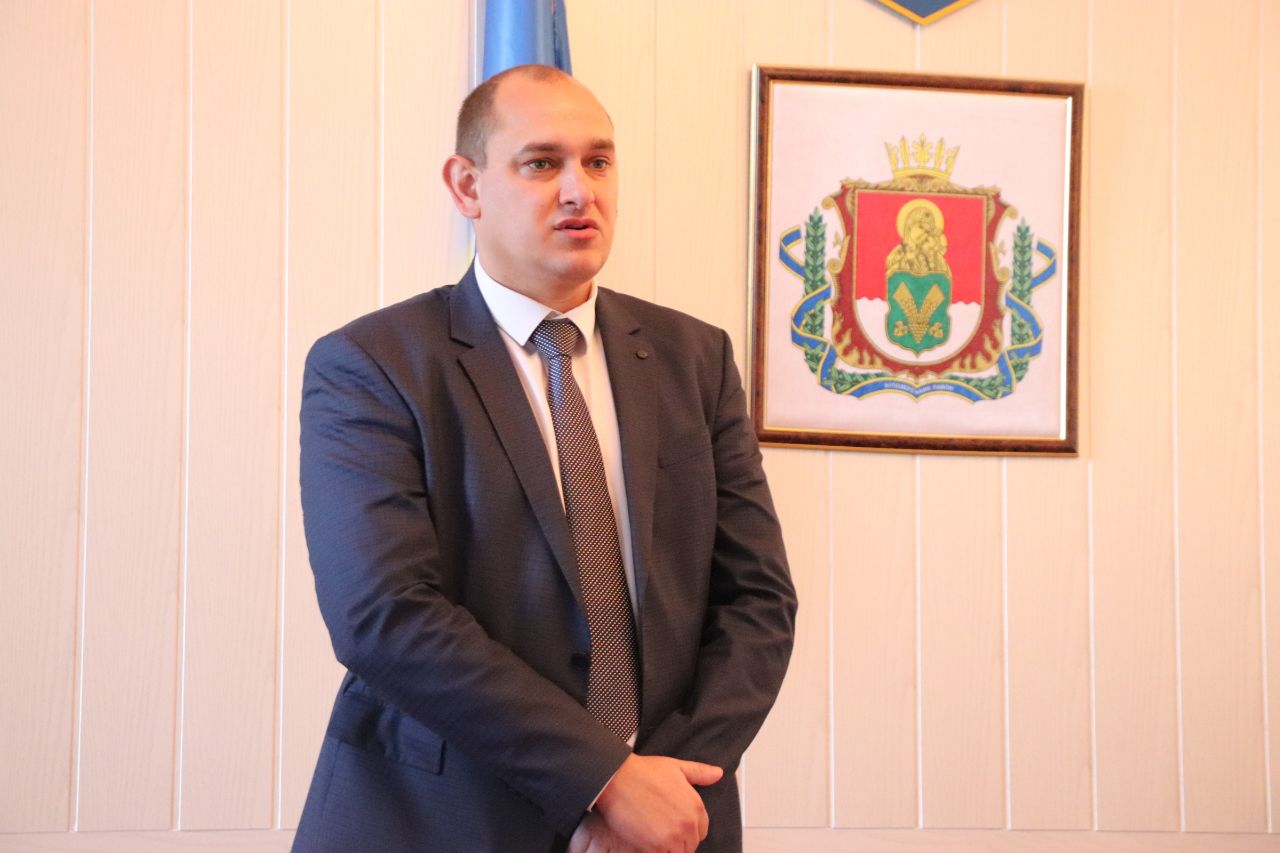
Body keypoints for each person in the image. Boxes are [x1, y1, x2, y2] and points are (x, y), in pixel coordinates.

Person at [292, 64, 796, 853]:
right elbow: (383, 614)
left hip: (669, 825)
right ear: (467, 186)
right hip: (444, 822)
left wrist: (662, 786)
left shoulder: (694, 357)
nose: (578, 190)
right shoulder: (373, 363)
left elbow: (758, 598)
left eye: (598, 161)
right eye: (541, 163)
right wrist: (604, 779)